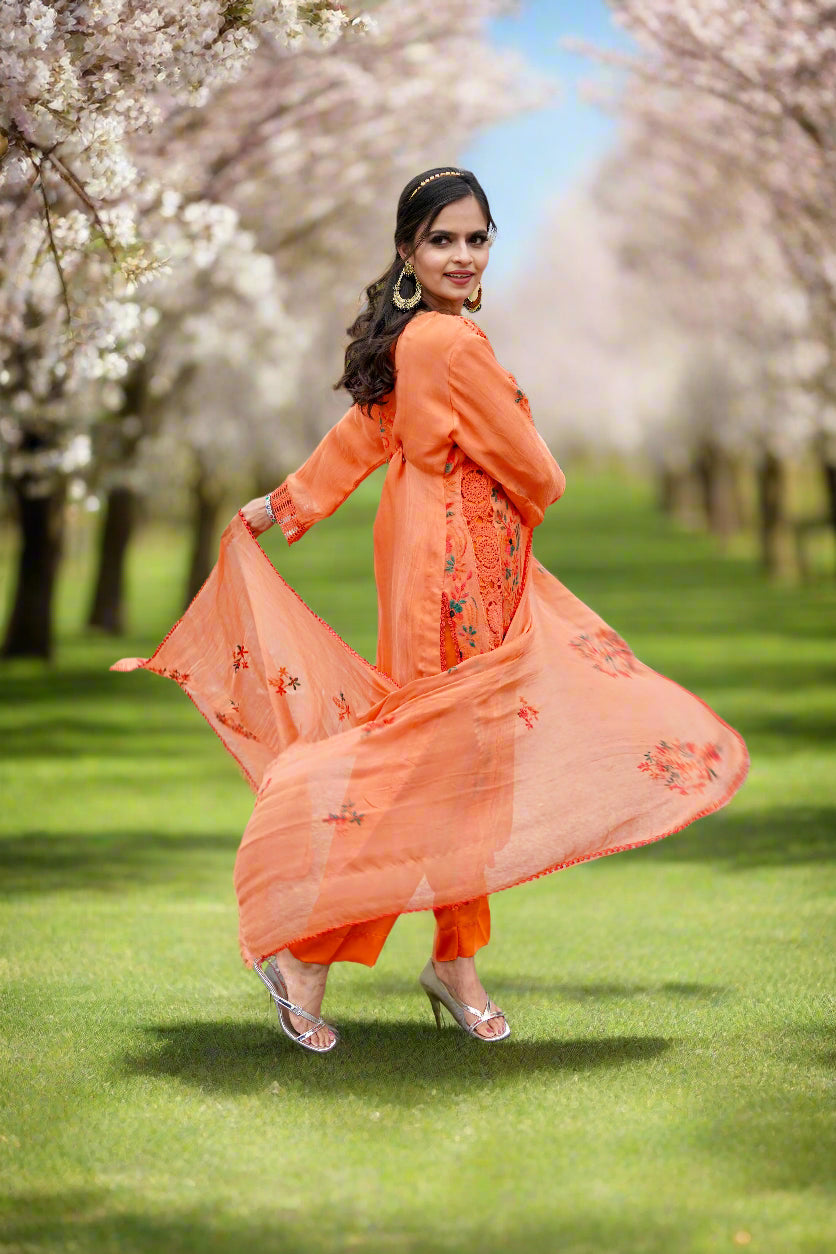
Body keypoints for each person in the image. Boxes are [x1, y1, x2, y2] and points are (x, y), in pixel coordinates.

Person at [114, 167, 749, 1055]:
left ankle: (453, 961)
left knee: (467, 769)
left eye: (476, 238)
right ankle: (311, 955)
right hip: (455, 578)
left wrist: (281, 505)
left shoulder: (423, 339)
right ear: (408, 250)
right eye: (441, 239)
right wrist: (532, 472)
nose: (462, 255)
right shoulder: (452, 345)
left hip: (441, 563)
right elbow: (540, 473)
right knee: (427, 765)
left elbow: (368, 431)